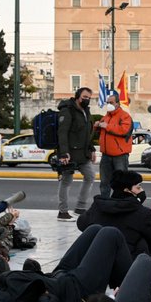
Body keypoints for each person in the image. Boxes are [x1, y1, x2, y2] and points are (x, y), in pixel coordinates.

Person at [77, 169, 151, 258]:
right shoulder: (142, 213)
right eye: (138, 187)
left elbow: (81, 223)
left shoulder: (99, 206)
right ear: (127, 190)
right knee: (143, 238)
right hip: (127, 265)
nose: (141, 190)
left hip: (97, 260)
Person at [56, 86, 96, 221]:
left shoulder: (85, 111)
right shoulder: (67, 111)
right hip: (70, 154)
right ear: (78, 96)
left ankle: (80, 208)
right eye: (85, 97)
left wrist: (91, 149)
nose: (87, 100)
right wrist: (64, 153)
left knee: (90, 176)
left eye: (89, 98)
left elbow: (86, 133)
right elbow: (62, 133)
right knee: (66, 181)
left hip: (83, 154)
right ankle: (62, 212)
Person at [95, 92, 133, 199]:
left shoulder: (125, 116)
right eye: (107, 102)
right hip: (106, 155)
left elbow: (124, 130)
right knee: (104, 182)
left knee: (121, 182)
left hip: (120, 155)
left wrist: (107, 126)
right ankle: (105, 203)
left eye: (111, 102)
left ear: (117, 103)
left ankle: (120, 202)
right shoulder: (106, 117)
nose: (109, 104)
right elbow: (100, 132)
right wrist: (97, 126)